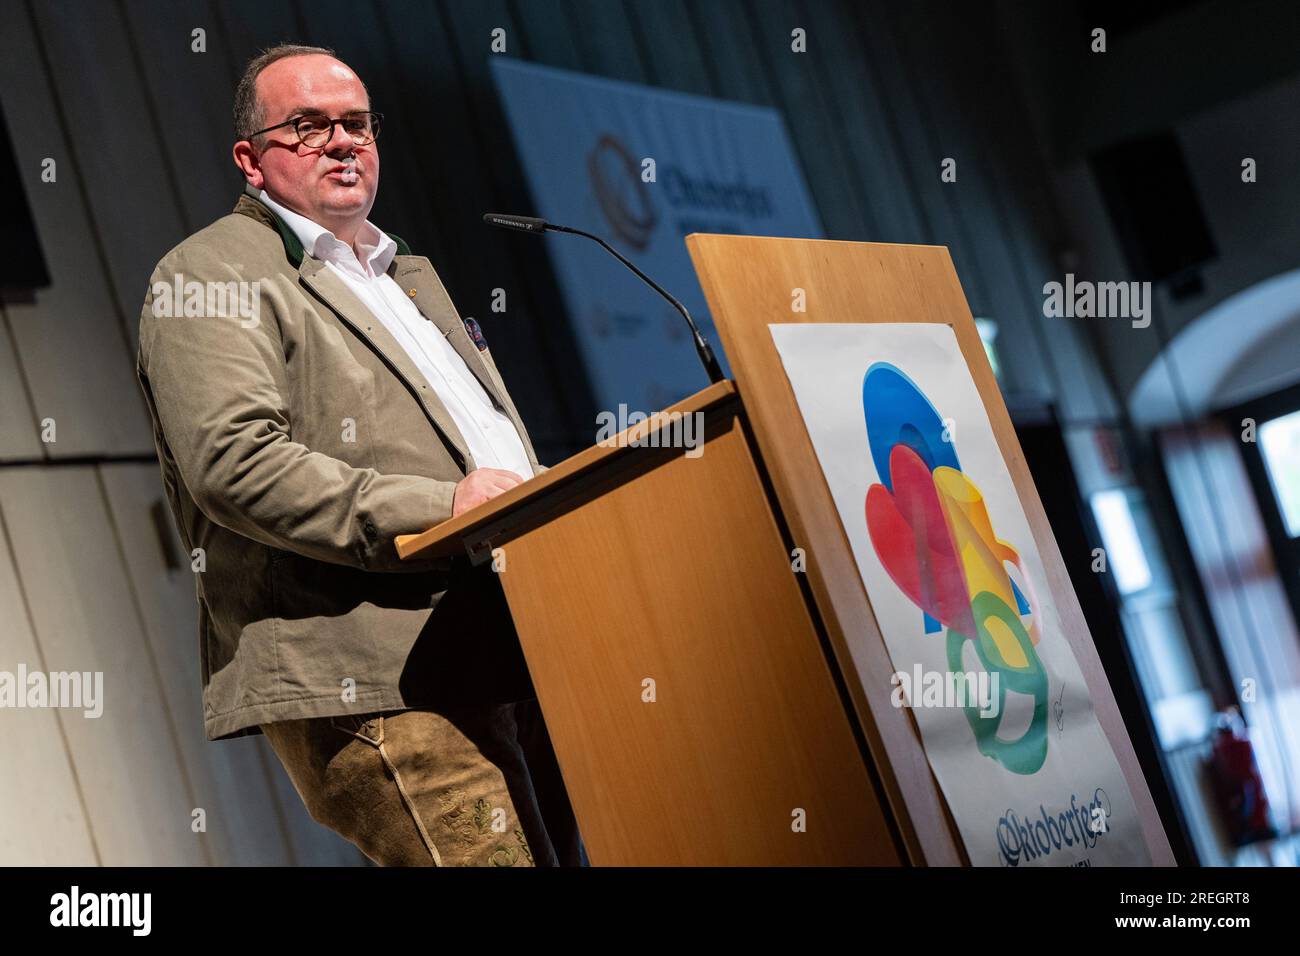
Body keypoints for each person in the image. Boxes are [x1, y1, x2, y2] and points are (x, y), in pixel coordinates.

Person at [136, 43, 581, 866]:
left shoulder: (407, 274)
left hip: (511, 650)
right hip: (379, 677)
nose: (342, 142)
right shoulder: (211, 271)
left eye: (356, 123)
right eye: (306, 127)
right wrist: (435, 509)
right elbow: (234, 462)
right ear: (251, 160)